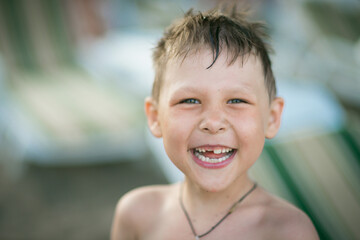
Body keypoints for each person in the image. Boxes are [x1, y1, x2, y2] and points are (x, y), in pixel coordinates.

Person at [111, 7, 319, 240]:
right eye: (189, 100)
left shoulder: (286, 231)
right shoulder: (137, 214)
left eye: (237, 100)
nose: (213, 122)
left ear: (271, 118)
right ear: (155, 117)